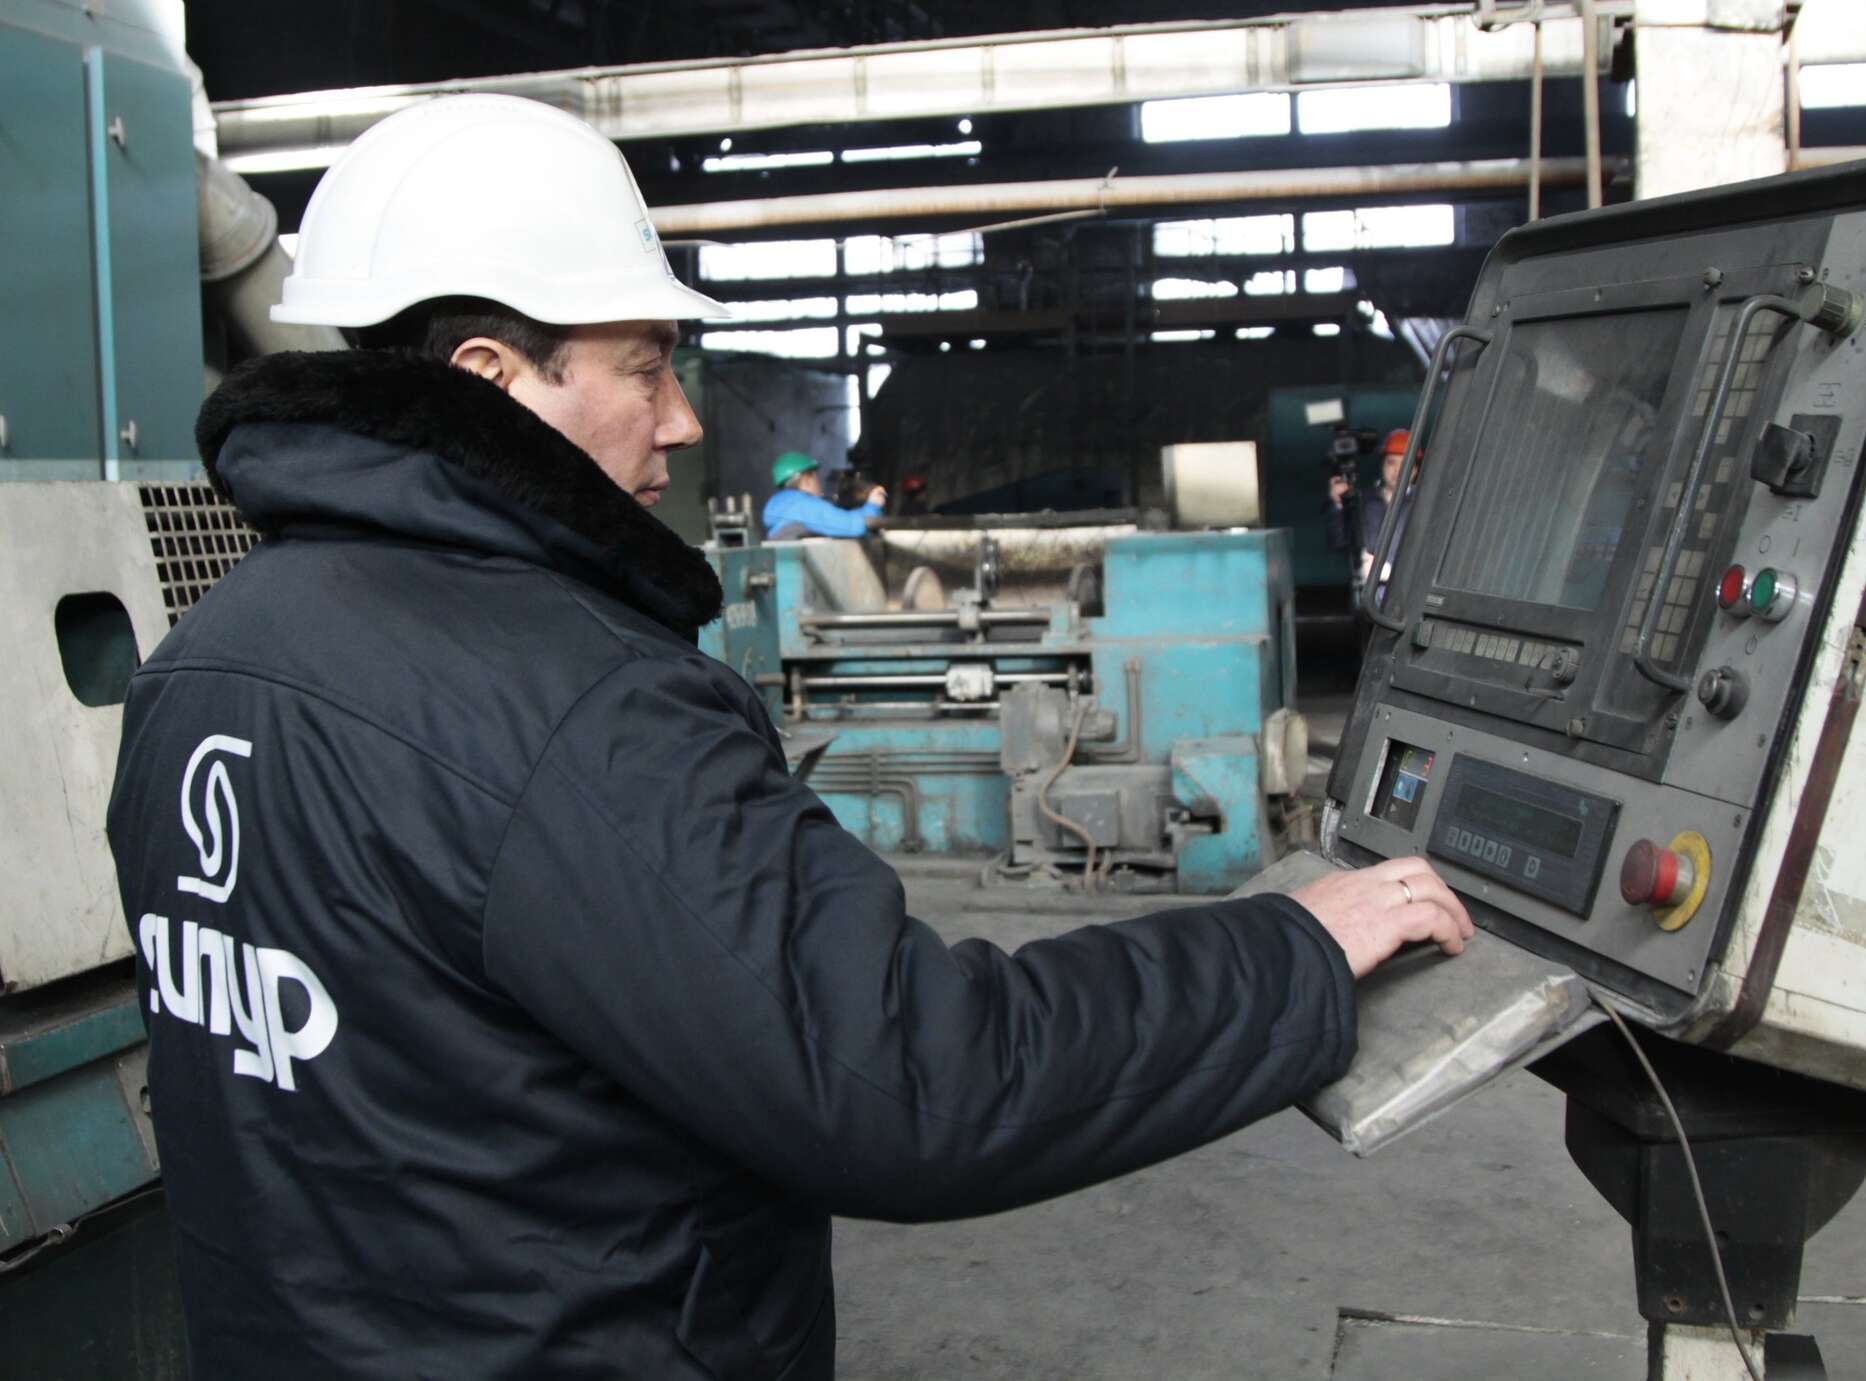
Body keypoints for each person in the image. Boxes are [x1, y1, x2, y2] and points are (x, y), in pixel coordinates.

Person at [105, 94, 1471, 1380]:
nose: (683, 418)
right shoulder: (577, 707)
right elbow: (908, 1076)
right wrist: (1286, 953)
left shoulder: (201, 663)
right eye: (647, 366)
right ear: (493, 378)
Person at [1324, 426, 1411, 582]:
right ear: (1382, 465)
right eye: (1391, 462)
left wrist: (1391, 571)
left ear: (1415, 470)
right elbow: (1338, 541)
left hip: (1411, 588)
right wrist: (1338, 504)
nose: (1397, 470)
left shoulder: (1424, 504)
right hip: (1369, 590)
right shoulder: (1363, 501)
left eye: (1405, 464)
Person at [761, 450, 885, 538]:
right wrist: (873, 505)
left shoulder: (779, 507)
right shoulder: (804, 506)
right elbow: (851, 526)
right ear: (806, 480)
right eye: (815, 477)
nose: (818, 482)